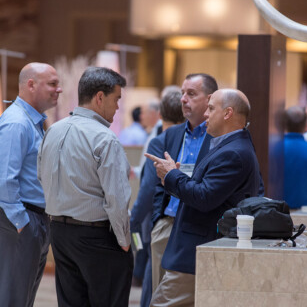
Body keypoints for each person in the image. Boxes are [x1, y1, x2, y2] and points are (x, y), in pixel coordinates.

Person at [146, 88, 263, 307]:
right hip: (196, 251)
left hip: (196, 253)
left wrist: (173, 175)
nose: (206, 115)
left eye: (211, 108)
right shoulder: (228, 146)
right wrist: (172, 179)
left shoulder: (233, 153)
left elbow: (204, 197)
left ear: (227, 113)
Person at [38, 67, 133, 307]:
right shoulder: (105, 138)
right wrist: (124, 239)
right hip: (97, 236)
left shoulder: (53, 131)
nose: (118, 107)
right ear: (100, 97)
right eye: (116, 99)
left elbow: (41, 177)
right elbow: (117, 198)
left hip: (59, 232)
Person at [0, 62, 62, 307]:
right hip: (21, 219)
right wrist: (21, 222)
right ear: (31, 84)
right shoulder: (17, 123)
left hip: (35, 218)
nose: (59, 90)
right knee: (14, 298)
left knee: (24, 297)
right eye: (53, 84)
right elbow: (5, 178)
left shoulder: (32, 121)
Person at [150, 73, 217, 296]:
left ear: (209, 100)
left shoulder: (219, 137)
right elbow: (159, 182)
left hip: (199, 227)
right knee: (159, 291)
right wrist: (157, 220)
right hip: (167, 224)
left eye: (191, 94)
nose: (183, 99)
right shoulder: (172, 134)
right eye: (182, 93)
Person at [130, 85, 185, 307]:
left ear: (160, 114)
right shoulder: (183, 138)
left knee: (153, 282)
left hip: (156, 222)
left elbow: (147, 190)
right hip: (173, 222)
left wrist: (132, 222)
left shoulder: (160, 140)